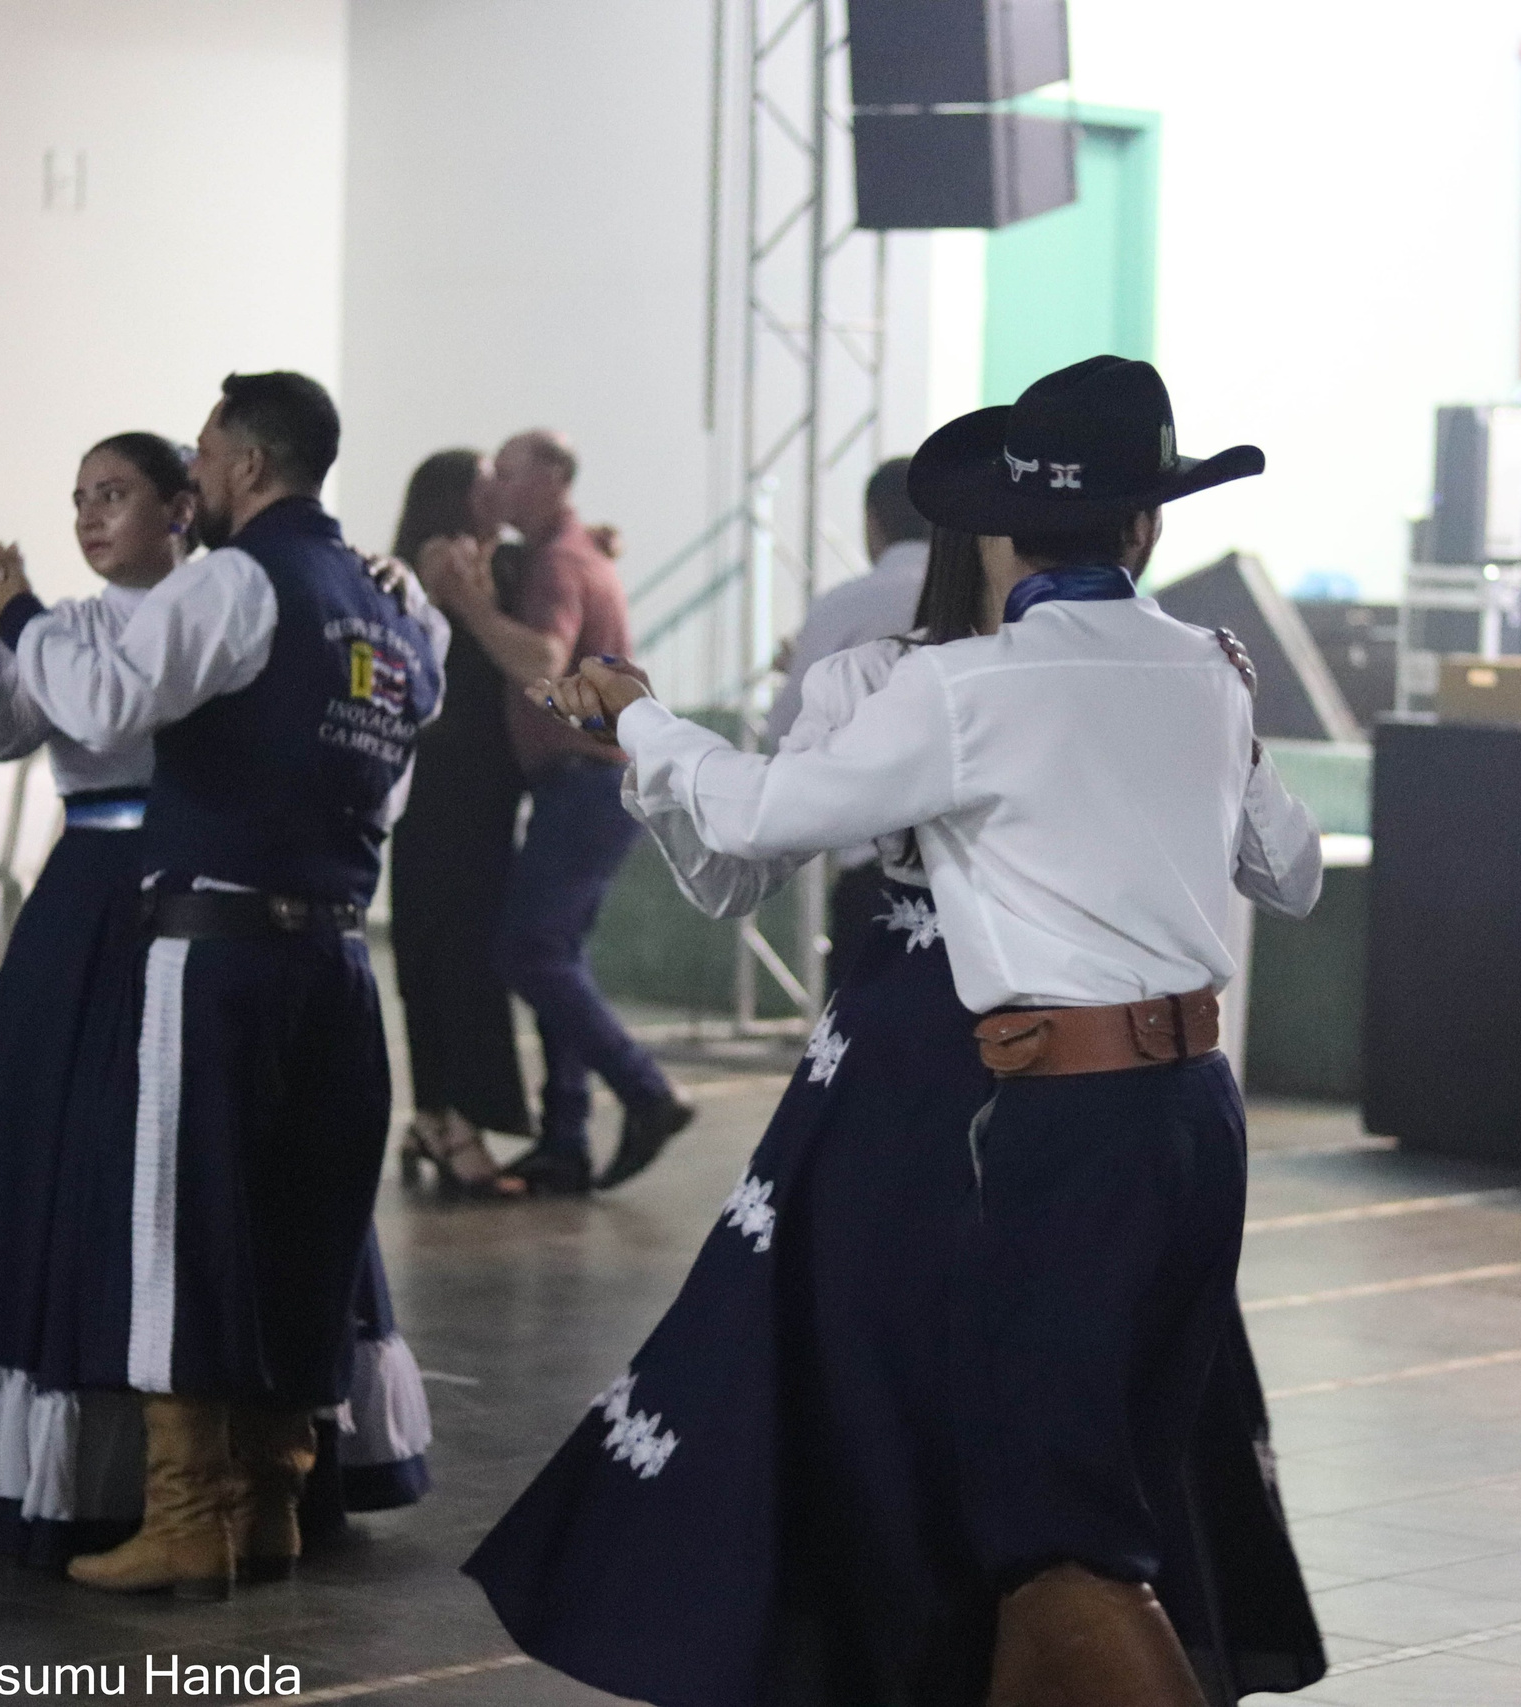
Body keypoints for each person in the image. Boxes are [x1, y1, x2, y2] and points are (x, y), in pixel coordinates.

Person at [510, 356, 1327, 1702]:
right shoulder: (1210, 671)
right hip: (1198, 1116)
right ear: (1149, 523)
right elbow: (1290, 876)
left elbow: (757, 822)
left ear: (1009, 531)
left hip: (1065, 1120)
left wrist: (642, 715)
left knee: (1061, 1531)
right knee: (1107, 1477)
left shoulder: (968, 690)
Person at [0, 432, 434, 1568]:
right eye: (78, 499)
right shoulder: (81, 622)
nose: (91, 518)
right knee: (72, 1161)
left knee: (209, 1177)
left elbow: (117, 715)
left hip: (204, 900)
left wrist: (15, 615)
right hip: (92, 902)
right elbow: (2, 732)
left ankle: (242, 1478)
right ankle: (141, 1476)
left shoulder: (228, 605)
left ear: (188, 502)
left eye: (116, 495)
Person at [419, 429, 690, 1196]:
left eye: (507, 474)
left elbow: (543, 658)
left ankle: (647, 1091)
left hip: (587, 779)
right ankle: (564, 1139)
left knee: (528, 952)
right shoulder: (576, 551)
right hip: (584, 782)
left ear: (551, 478)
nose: (495, 491)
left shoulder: (560, 562)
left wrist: (468, 603)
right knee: (553, 954)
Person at [384, 450, 535, 1195]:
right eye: (481, 482)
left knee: (451, 951)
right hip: (443, 785)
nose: (495, 492)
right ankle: (454, 1125)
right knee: (446, 955)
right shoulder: (426, 572)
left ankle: (436, 1117)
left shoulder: (496, 564)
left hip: (471, 785)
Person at [769, 456, 933, 990]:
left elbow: (786, 736)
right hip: (981, 876)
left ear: (872, 522)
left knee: (858, 1060)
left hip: (877, 868)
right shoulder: (996, 599)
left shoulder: (845, 605)